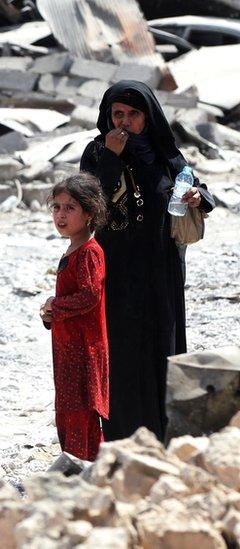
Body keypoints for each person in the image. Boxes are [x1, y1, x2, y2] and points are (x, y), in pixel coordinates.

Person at [80, 80, 215, 442]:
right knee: (121, 349)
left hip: (161, 268)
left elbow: (204, 193)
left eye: (133, 115)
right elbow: (87, 204)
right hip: (116, 270)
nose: (124, 122)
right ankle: (122, 437)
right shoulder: (96, 153)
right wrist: (111, 156)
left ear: (148, 116)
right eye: (117, 114)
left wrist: (195, 196)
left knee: (162, 344)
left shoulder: (165, 154)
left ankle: (164, 434)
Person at [40, 174, 110, 461]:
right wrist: (49, 314)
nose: (60, 214)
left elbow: (89, 296)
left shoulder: (89, 253)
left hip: (84, 349)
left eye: (70, 208)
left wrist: (54, 306)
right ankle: (74, 467)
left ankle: (85, 470)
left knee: (81, 412)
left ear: (89, 213)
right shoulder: (72, 250)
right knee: (68, 410)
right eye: (56, 207)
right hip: (68, 347)